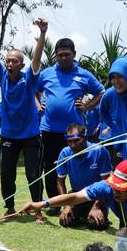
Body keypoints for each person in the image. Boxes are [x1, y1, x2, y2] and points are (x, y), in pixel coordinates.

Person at [0, 13, 45, 221]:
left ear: (21, 65)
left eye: (14, 61)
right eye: (8, 61)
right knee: (7, 175)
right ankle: (10, 207)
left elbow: (37, 58)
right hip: (9, 136)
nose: (10, 64)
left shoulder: (30, 79)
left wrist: (42, 34)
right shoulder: (2, 76)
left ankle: (38, 209)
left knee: (33, 174)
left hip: (31, 134)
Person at [36, 38, 105, 216]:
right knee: (51, 168)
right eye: (60, 55)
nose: (63, 58)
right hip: (49, 129)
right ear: (55, 56)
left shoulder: (84, 74)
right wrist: (37, 104)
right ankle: (54, 203)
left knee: (78, 167)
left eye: (67, 55)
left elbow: (101, 92)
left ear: (74, 55)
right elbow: (32, 90)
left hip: (76, 133)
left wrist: (88, 106)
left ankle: (84, 201)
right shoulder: (47, 73)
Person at [55, 123, 112, 230]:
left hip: (97, 198)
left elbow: (107, 183)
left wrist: (96, 207)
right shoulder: (65, 153)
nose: (73, 145)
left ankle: (95, 215)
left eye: (76, 140)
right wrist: (66, 205)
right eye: (69, 141)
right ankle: (82, 216)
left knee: (95, 224)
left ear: (85, 138)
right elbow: (60, 181)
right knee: (66, 221)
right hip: (77, 196)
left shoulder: (99, 151)